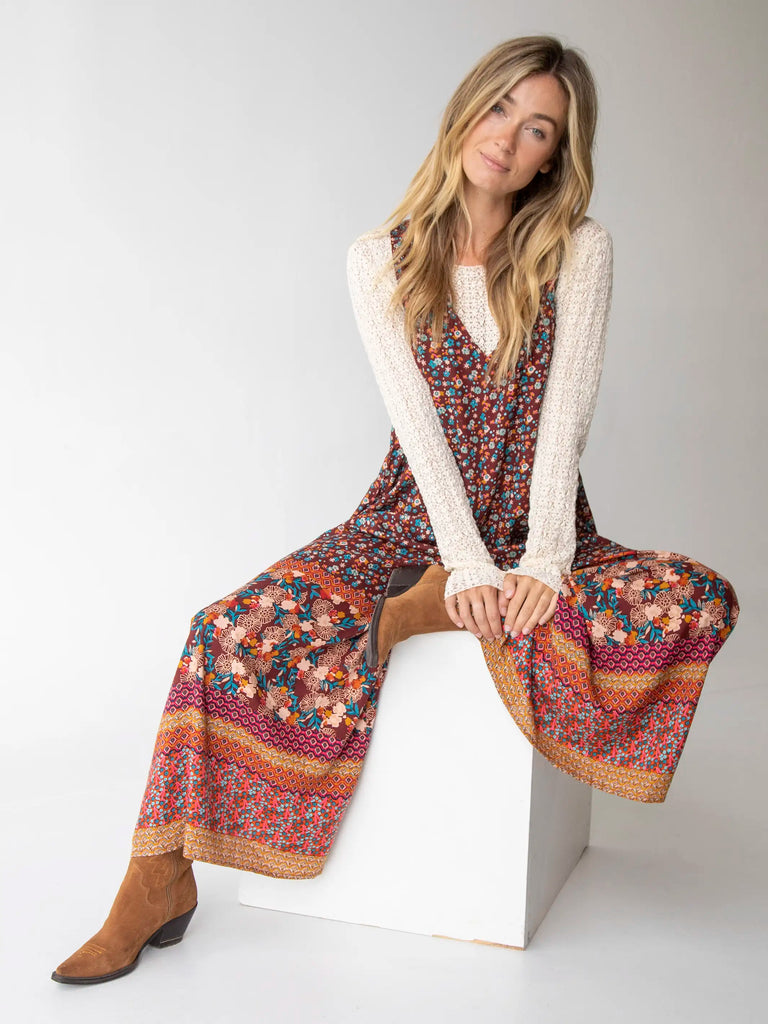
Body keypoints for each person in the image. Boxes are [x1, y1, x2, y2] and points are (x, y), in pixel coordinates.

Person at [51, 34, 740, 985]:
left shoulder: (579, 250)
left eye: (538, 129)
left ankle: (429, 611)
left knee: (696, 595)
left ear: (555, 157)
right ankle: (155, 880)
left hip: (538, 527)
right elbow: (416, 428)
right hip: (409, 522)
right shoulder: (379, 258)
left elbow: (566, 419)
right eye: (500, 109)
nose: (508, 138)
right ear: (466, 111)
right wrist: (464, 563)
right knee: (223, 629)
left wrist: (542, 561)